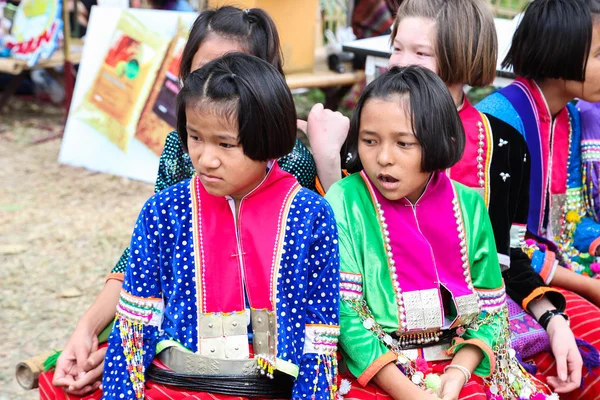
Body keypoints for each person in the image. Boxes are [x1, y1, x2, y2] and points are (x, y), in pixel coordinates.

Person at [42, 7, 348, 398]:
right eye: (197, 137)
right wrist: (94, 330)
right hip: (180, 369)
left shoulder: (305, 206)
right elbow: (141, 292)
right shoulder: (168, 202)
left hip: (272, 375)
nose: (205, 158)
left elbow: (318, 324)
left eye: (234, 73)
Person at [386, 0, 600, 397]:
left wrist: (553, 318)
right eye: (396, 48)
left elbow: (508, 256)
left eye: (420, 52)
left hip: (485, 312)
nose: (399, 64)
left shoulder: (501, 145)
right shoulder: (370, 141)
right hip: (394, 327)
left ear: (461, 56)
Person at [100, 52, 339, 399]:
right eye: (195, 138)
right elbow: (136, 321)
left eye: (226, 144)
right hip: (174, 386)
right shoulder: (164, 211)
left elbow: (320, 334)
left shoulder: (310, 215)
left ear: (267, 137)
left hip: (273, 389)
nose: (205, 159)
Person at [326, 65, 550, 400]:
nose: (383, 158)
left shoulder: (470, 206)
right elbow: (346, 313)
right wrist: (407, 392)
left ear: (439, 143)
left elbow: (491, 309)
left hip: (459, 366)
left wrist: (460, 371)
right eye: (369, 141)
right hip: (377, 374)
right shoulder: (345, 200)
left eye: (404, 143)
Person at [476, 0, 600, 322]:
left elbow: (568, 222)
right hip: (513, 285)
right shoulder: (498, 123)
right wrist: (588, 286)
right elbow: (500, 246)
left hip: (561, 267)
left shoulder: (571, 119)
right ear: (561, 54)